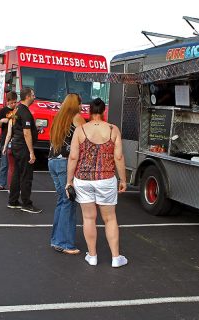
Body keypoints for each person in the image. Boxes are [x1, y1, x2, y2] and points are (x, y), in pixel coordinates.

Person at [66, 97, 128, 268]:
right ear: (103, 112)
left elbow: (73, 157)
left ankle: (92, 256)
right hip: (106, 179)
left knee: (88, 218)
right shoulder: (113, 129)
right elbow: (118, 157)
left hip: (83, 179)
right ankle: (116, 258)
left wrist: (69, 181)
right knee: (110, 219)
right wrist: (123, 179)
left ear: (89, 111)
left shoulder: (80, 130)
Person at [48, 93, 86, 255]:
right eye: (80, 103)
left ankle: (56, 239)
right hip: (66, 163)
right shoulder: (77, 118)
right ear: (75, 104)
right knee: (69, 202)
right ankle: (63, 242)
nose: (81, 106)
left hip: (52, 161)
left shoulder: (58, 118)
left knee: (62, 200)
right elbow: (87, 138)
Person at [7, 87, 42, 214]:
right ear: (27, 96)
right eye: (33, 95)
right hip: (23, 147)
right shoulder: (25, 112)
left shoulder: (17, 110)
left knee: (17, 173)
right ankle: (26, 203)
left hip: (16, 145)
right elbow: (26, 133)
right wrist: (31, 152)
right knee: (26, 176)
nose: (34, 97)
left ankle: (13, 201)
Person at [0, 91, 18, 191]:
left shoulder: (18, 110)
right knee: (5, 164)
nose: (13, 104)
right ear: (7, 102)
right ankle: (1, 183)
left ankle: (13, 184)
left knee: (15, 165)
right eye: (12, 102)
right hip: (5, 140)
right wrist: (2, 120)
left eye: (15, 102)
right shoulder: (3, 111)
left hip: (16, 140)